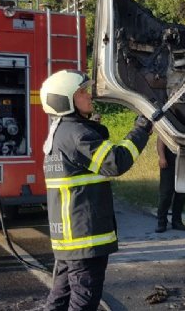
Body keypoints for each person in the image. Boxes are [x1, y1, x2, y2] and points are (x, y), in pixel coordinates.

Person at [39, 69, 153, 311]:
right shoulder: (76, 134)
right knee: (84, 302)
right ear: (65, 100)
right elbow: (115, 162)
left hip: (70, 239)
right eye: (81, 91)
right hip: (84, 237)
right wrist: (142, 127)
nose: (88, 95)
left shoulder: (61, 132)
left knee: (59, 300)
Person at [155, 137, 185, 233]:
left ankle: (177, 221)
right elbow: (161, 139)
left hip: (184, 162)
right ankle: (161, 222)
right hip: (168, 162)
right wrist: (162, 157)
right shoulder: (169, 123)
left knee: (181, 194)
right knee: (166, 194)